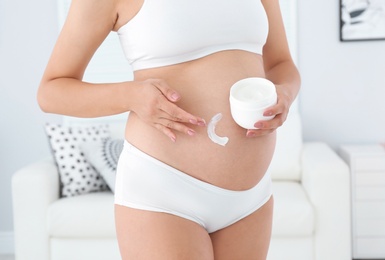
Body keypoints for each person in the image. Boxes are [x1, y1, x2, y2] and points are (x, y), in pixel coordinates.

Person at [37, 0, 300, 259]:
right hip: (163, 189)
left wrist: (285, 94)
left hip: (251, 198)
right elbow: (51, 92)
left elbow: (281, 64)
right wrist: (131, 96)